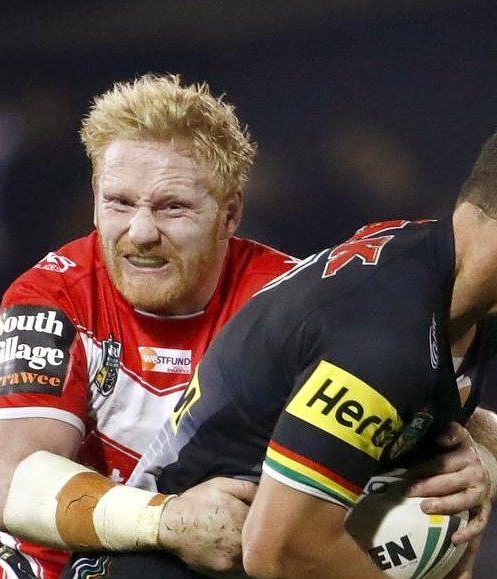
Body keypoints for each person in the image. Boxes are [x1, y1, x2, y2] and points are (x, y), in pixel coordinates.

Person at [61, 130, 497, 578]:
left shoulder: (439, 275)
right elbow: (280, 550)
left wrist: (483, 454)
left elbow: (426, 395)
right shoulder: (381, 331)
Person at [0, 73, 298, 578]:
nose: (140, 233)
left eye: (172, 207)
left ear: (229, 213)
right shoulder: (50, 296)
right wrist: (166, 521)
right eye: (119, 203)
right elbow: (15, 485)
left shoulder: (290, 303)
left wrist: (432, 463)